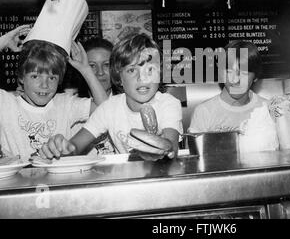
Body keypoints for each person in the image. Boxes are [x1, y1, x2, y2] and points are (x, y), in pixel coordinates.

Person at [0, 0, 107, 160]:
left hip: (59, 181)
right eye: (35, 76)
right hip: (19, 183)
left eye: (52, 77)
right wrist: (2, 41)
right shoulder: (6, 104)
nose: (45, 85)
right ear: (21, 77)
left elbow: (106, 110)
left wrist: (86, 70)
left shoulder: (64, 104)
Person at [39, 34, 183, 161]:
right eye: (132, 70)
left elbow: (171, 145)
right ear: (118, 77)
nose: (142, 77)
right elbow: (75, 146)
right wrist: (60, 146)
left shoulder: (168, 104)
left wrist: (161, 148)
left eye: (150, 69)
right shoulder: (109, 108)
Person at [188, 40, 268, 133]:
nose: (235, 80)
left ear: (256, 77)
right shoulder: (204, 112)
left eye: (244, 73)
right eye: (229, 71)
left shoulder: (267, 108)